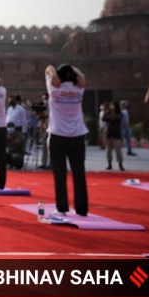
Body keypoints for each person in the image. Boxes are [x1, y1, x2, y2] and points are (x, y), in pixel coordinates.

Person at [45, 64, 88, 217]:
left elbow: (48, 69)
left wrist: (53, 70)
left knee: (60, 174)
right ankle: (82, 209)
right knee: (79, 173)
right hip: (77, 136)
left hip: (57, 136)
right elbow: (82, 78)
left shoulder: (54, 90)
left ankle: (62, 207)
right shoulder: (79, 90)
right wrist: (74, 68)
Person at [102, 101, 125, 171]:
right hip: (109, 133)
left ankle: (120, 164)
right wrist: (105, 112)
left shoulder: (119, 114)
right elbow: (103, 119)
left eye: (113, 105)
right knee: (108, 150)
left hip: (116, 134)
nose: (111, 107)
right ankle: (109, 164)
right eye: (111, 105)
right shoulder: (107, 113)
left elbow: (118, 119)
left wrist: (111, 114)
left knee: (118, 150)